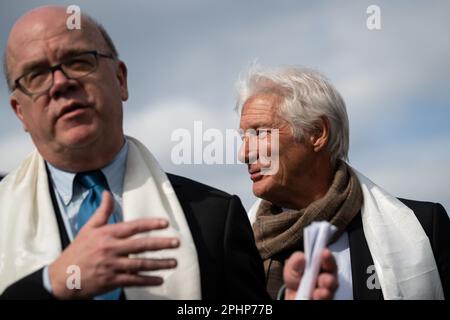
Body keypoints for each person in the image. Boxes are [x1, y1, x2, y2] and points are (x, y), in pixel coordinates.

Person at [0, 6, 272, 300]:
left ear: (120, 79)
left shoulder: (215, 216)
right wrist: (51, 283)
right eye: (36, 76)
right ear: (20, 113)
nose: (61, 83)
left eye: (78, 62)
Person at [236, 66, 450, 300]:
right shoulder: (234, 246)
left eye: (260, 133)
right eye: (244, 137)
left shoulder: (424, 227)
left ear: (317, 133)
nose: (244, 153)